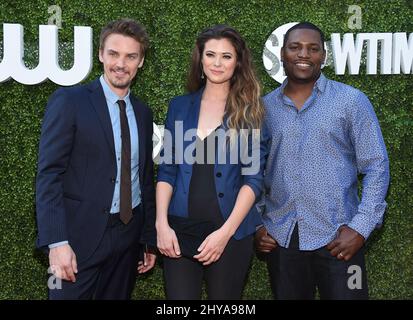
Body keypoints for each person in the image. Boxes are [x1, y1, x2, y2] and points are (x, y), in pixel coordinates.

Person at [255, 22, 390, 300]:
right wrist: (256, 225)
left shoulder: (352, 101)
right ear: (282, 53)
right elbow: (252, 171)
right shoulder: (263, 108)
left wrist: (361, 228)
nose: (303, 54)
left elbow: (376, 165)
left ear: (324, 56)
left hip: (340, 238)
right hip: (282, 238)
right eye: (295, 47)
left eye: (313, 48)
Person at [36, 18, 156, 300]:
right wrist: (57, 242)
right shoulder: (70, 101)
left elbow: (145, 178)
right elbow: (49, 174)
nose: (120, 64)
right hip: (77, 240)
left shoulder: (143, 113)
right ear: (101, 54)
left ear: (140, 62)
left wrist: (147, 239)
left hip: (127, 239)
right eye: (113, 54)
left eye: (131, 56)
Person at [155, 24, 268, 300]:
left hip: (230, 235)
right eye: (211, 55)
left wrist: (224, 233)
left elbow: (252, 180)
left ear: (238, 62)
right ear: (200, 59)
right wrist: (161, 224)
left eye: (226, 56)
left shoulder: (250, 112)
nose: (217, 63)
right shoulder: (180, 106)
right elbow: (167, 170)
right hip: (178, 232)